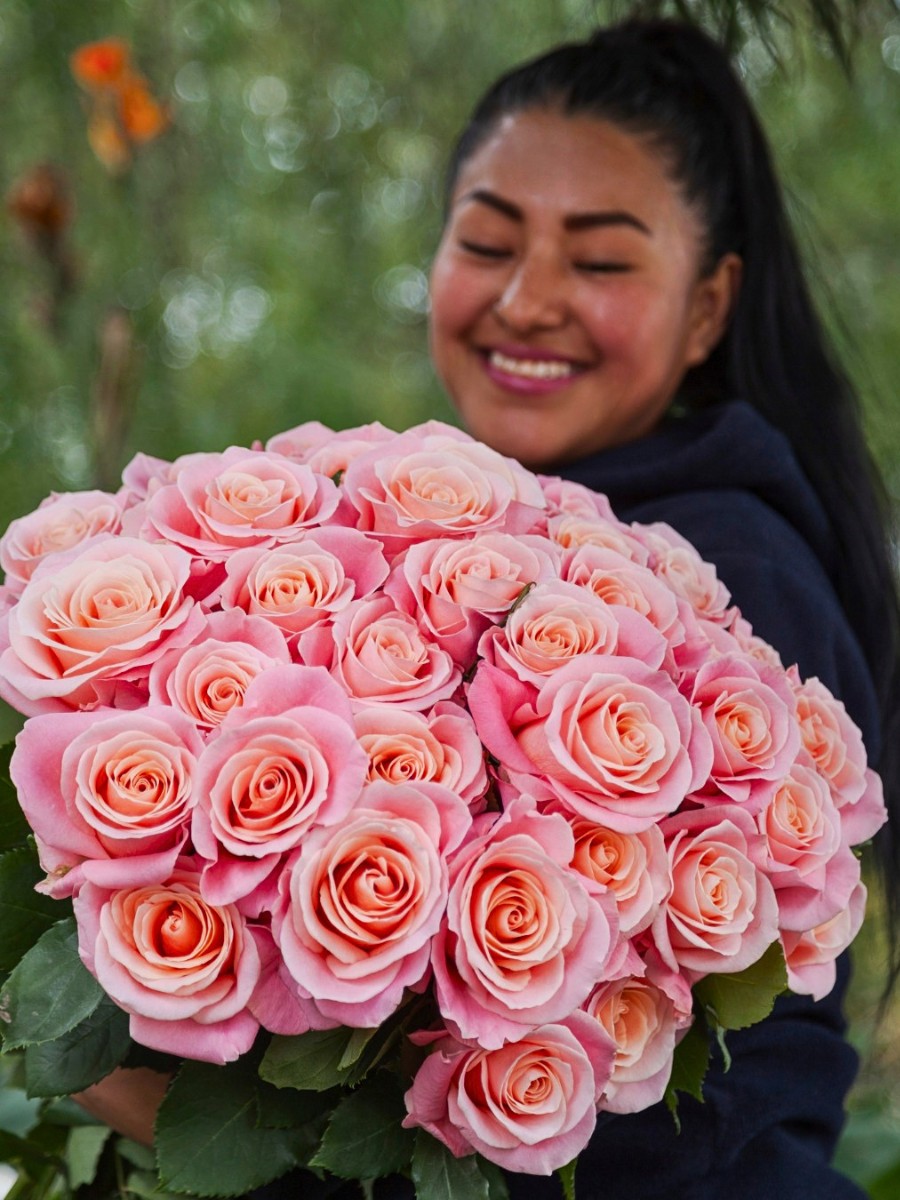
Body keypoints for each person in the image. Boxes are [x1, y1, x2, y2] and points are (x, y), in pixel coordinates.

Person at [77, 17, 900, 1199]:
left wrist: (175, 1109)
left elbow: (664, 1130)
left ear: (710, 307)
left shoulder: (732, 582)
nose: (528, 300)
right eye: (488, 241)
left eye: (601, 261)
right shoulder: (486, 532)